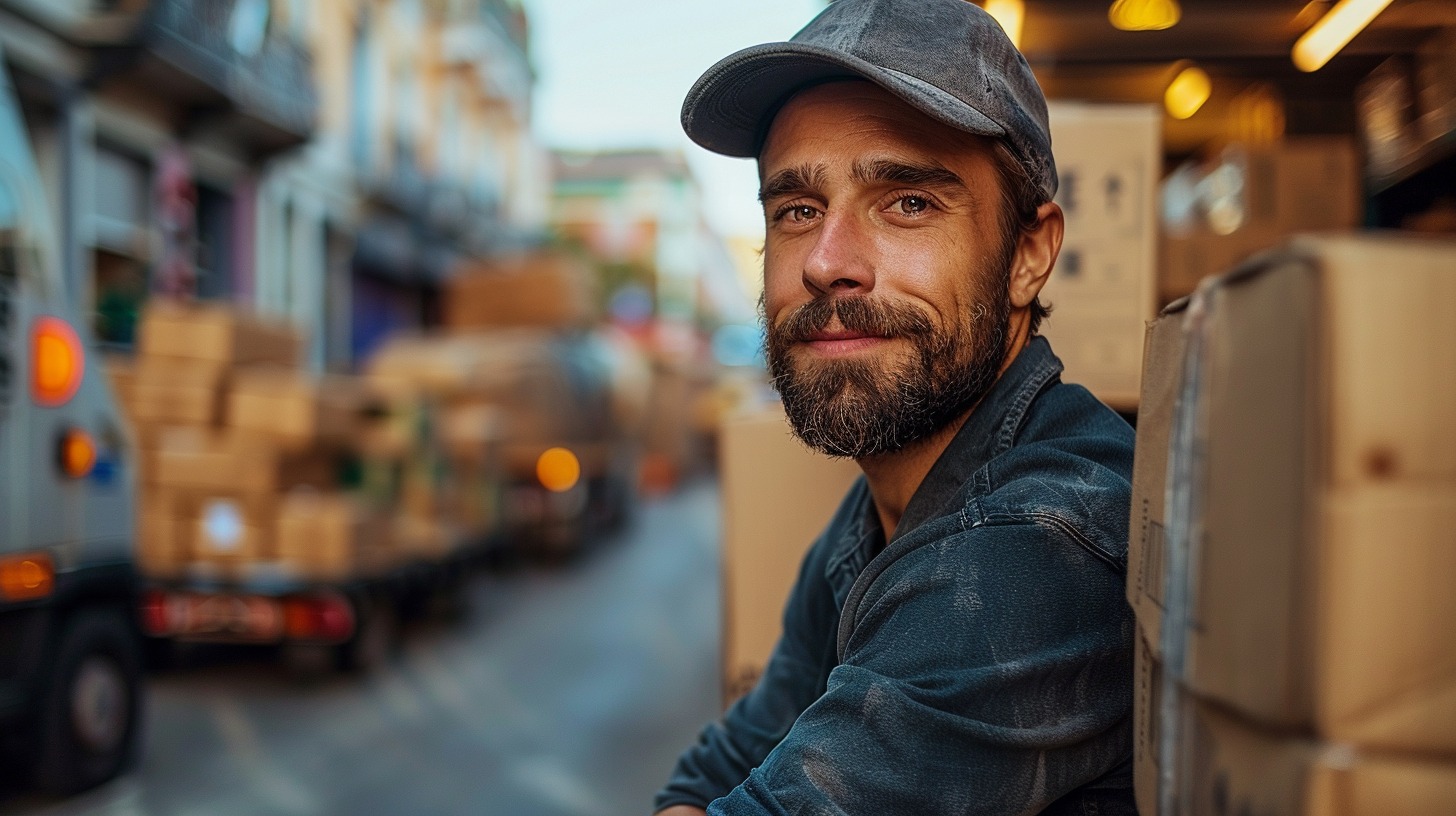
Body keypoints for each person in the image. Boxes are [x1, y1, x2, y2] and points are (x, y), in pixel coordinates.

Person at [655, 0, 1138, 813]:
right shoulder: (883, 506)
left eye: (908, 201)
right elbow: (714, 770)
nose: (827, 263)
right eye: (797, 211)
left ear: (1028, 254)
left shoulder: (1038, 546)